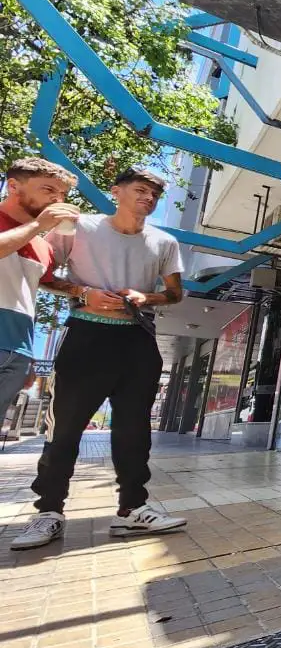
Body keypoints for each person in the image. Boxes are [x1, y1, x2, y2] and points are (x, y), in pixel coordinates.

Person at [11, 167, 187, 551]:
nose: (148, 199)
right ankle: (49, 511)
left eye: (154, 195)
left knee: (134, 430)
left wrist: (146, 297)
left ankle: (132, 509)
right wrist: (82, 292)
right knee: (64, 428)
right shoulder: (79, 227)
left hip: (139, 338)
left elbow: (175, 293)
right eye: (140, 190)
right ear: (116, 192)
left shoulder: (165, 242)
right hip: (86, 336)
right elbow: (43, 273)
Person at [0, 158, 78, 437]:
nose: (57, 200)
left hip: (17, 350)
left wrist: (85, 292)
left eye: (62, 194)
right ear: (13, 186)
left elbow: (41, 285)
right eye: (48, 190)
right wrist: (38, 225)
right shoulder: (33, 231)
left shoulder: (42, 247)